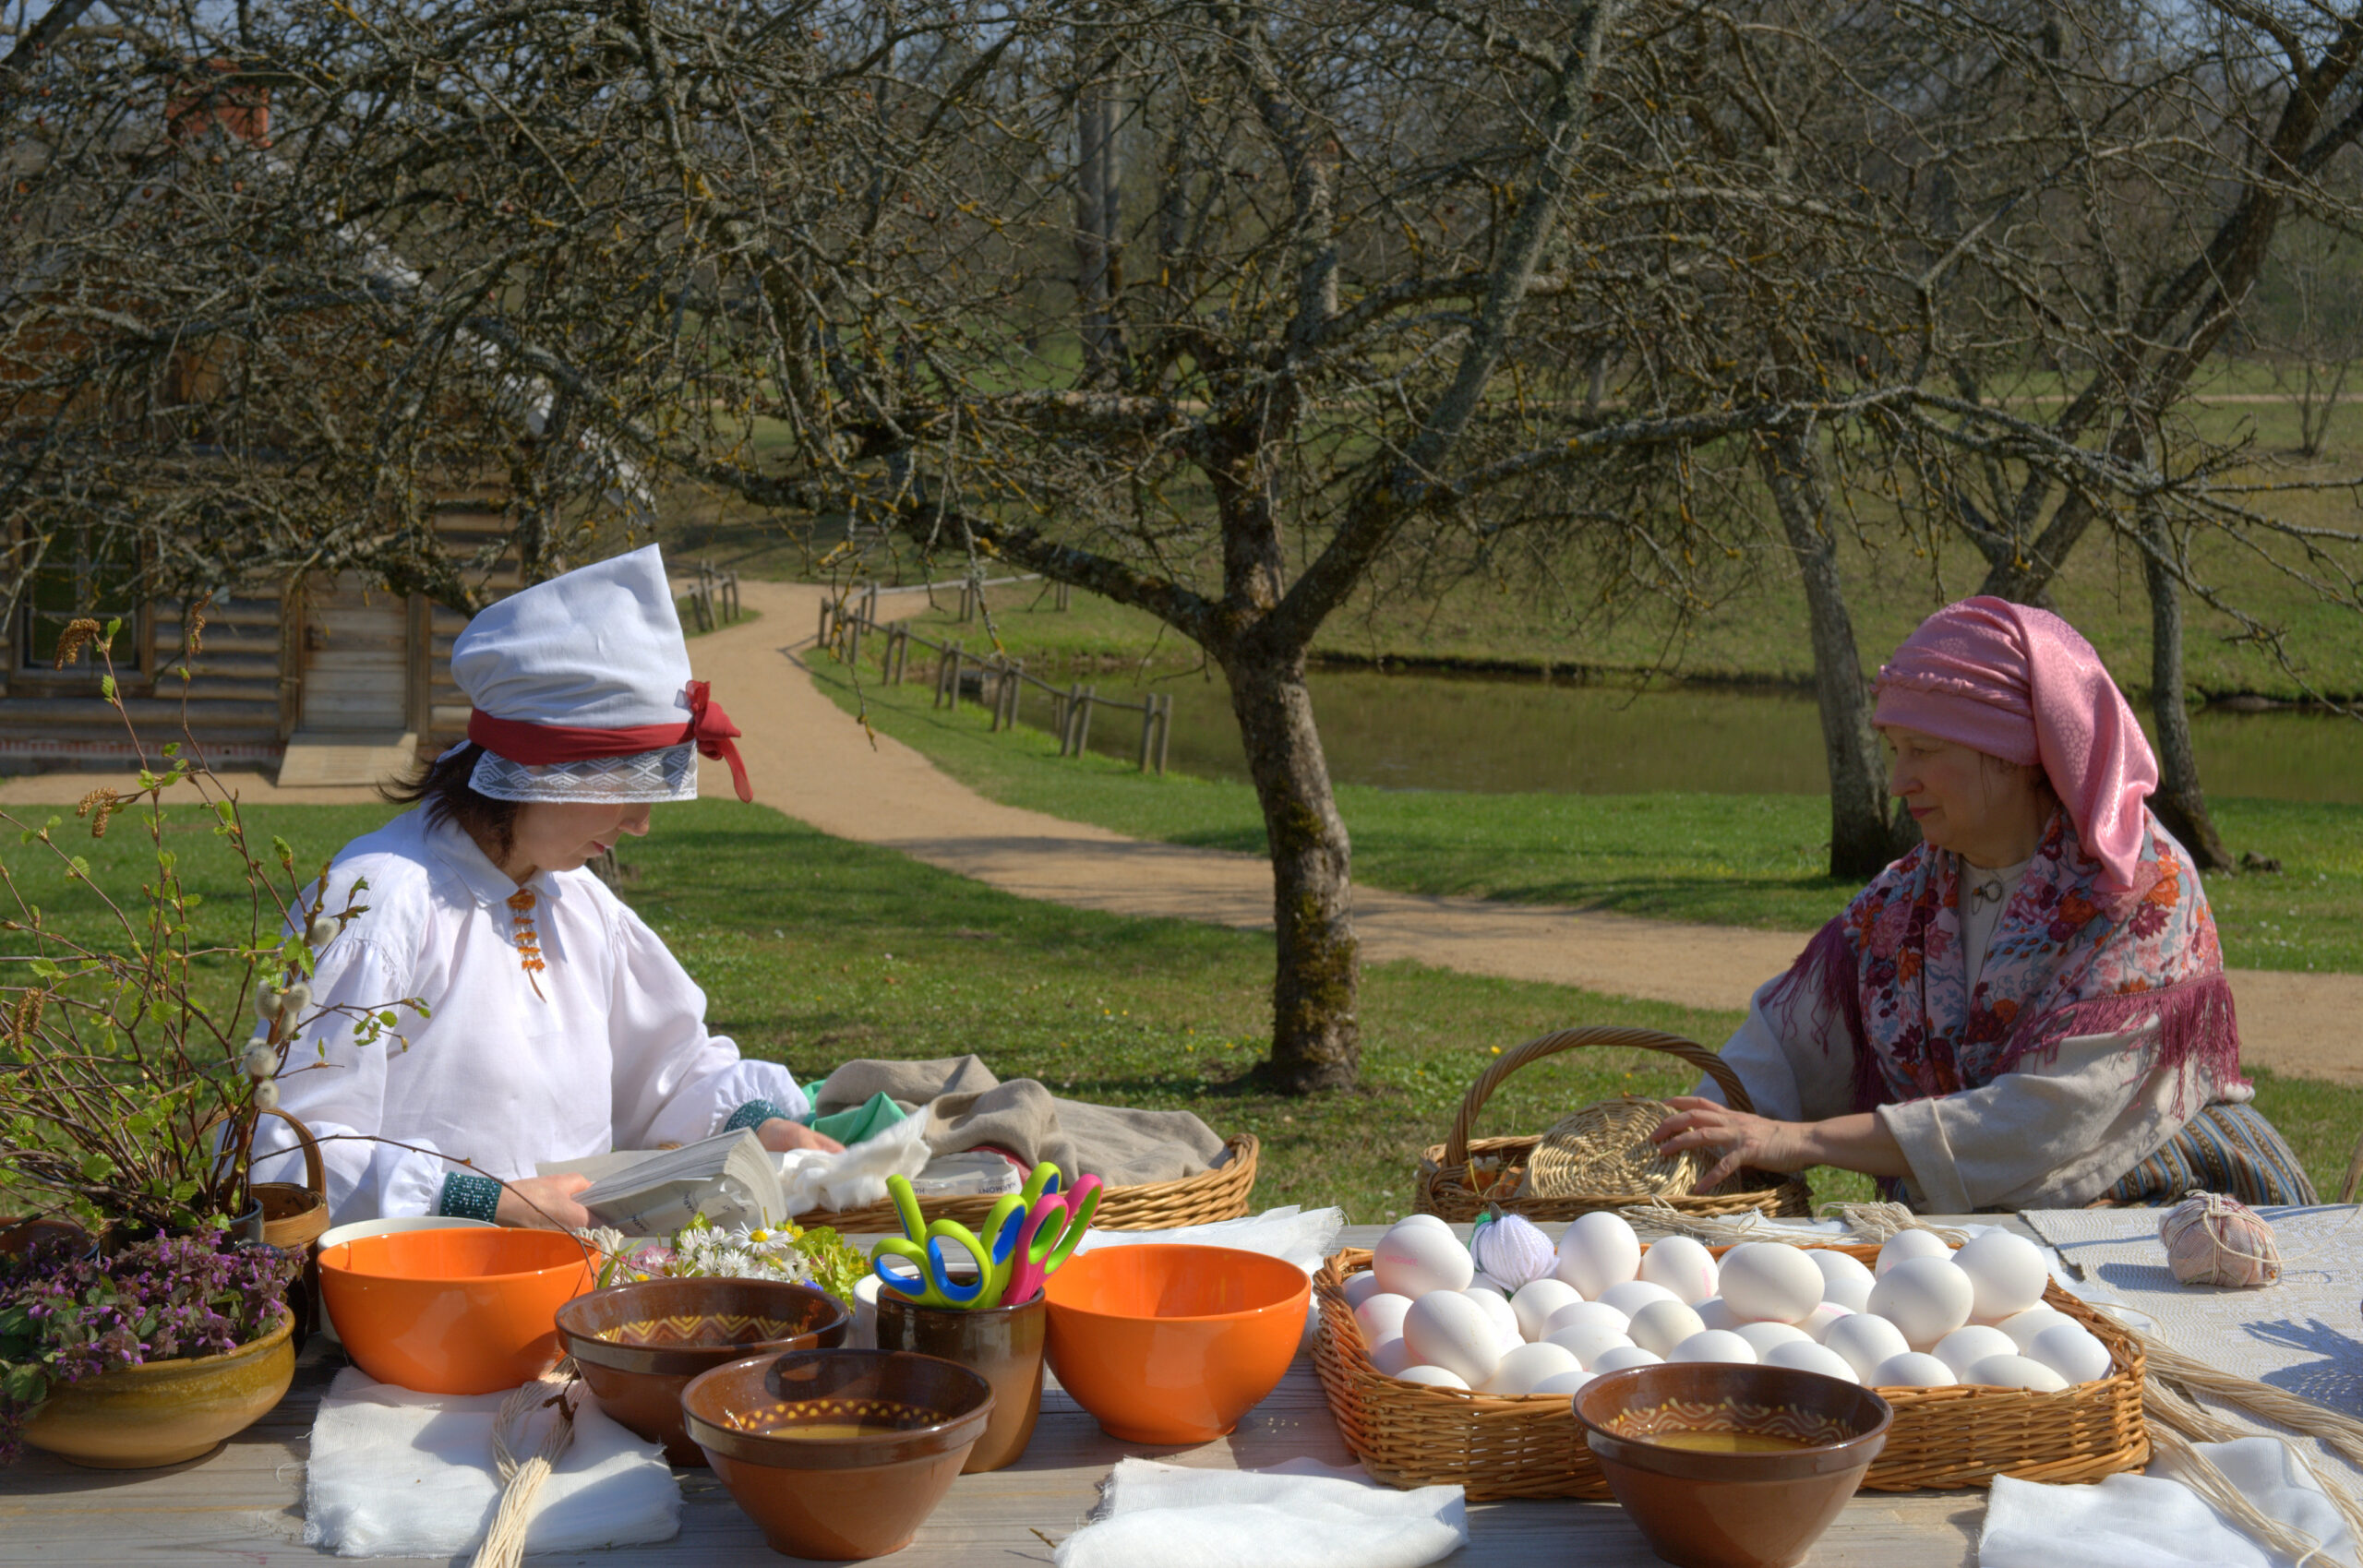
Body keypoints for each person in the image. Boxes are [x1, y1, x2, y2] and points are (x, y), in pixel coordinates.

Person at [1650, 596, 2314, 1211]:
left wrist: (1800, 1140)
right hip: (1977, 1241)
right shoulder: (1905, 901)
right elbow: (1782, 1045)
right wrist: (1694, 1133)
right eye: (1895, 750)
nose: (1898, 780)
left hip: (2169, 1218)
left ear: (2016, 752)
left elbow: (2048, 1116)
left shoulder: (2139, 890)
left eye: (1925, 751)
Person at [251, 546, 841, 1230]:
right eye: (626, 787)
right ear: (546, 768)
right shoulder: (378, 904)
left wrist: (759, 1129)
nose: (642, 821)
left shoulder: (579, 904)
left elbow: (668, 1073)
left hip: (567, 1290)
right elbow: (287, 1150)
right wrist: (484, 1199)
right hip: (415, 1307)